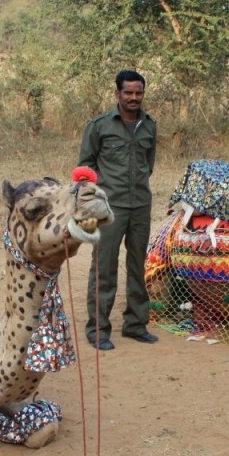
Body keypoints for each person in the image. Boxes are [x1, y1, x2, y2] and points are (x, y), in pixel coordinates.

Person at [78, 70, 158, 350]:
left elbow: (149, 163)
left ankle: (135, 324)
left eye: (138, 93)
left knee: (138, 266)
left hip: (141, 206)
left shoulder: (149, 125)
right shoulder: (99, 126)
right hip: (109, 208)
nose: (134, 97)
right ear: (118, 94)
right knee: (104, 267)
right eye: (128, 92)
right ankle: (98, 330)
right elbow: (85, 167)